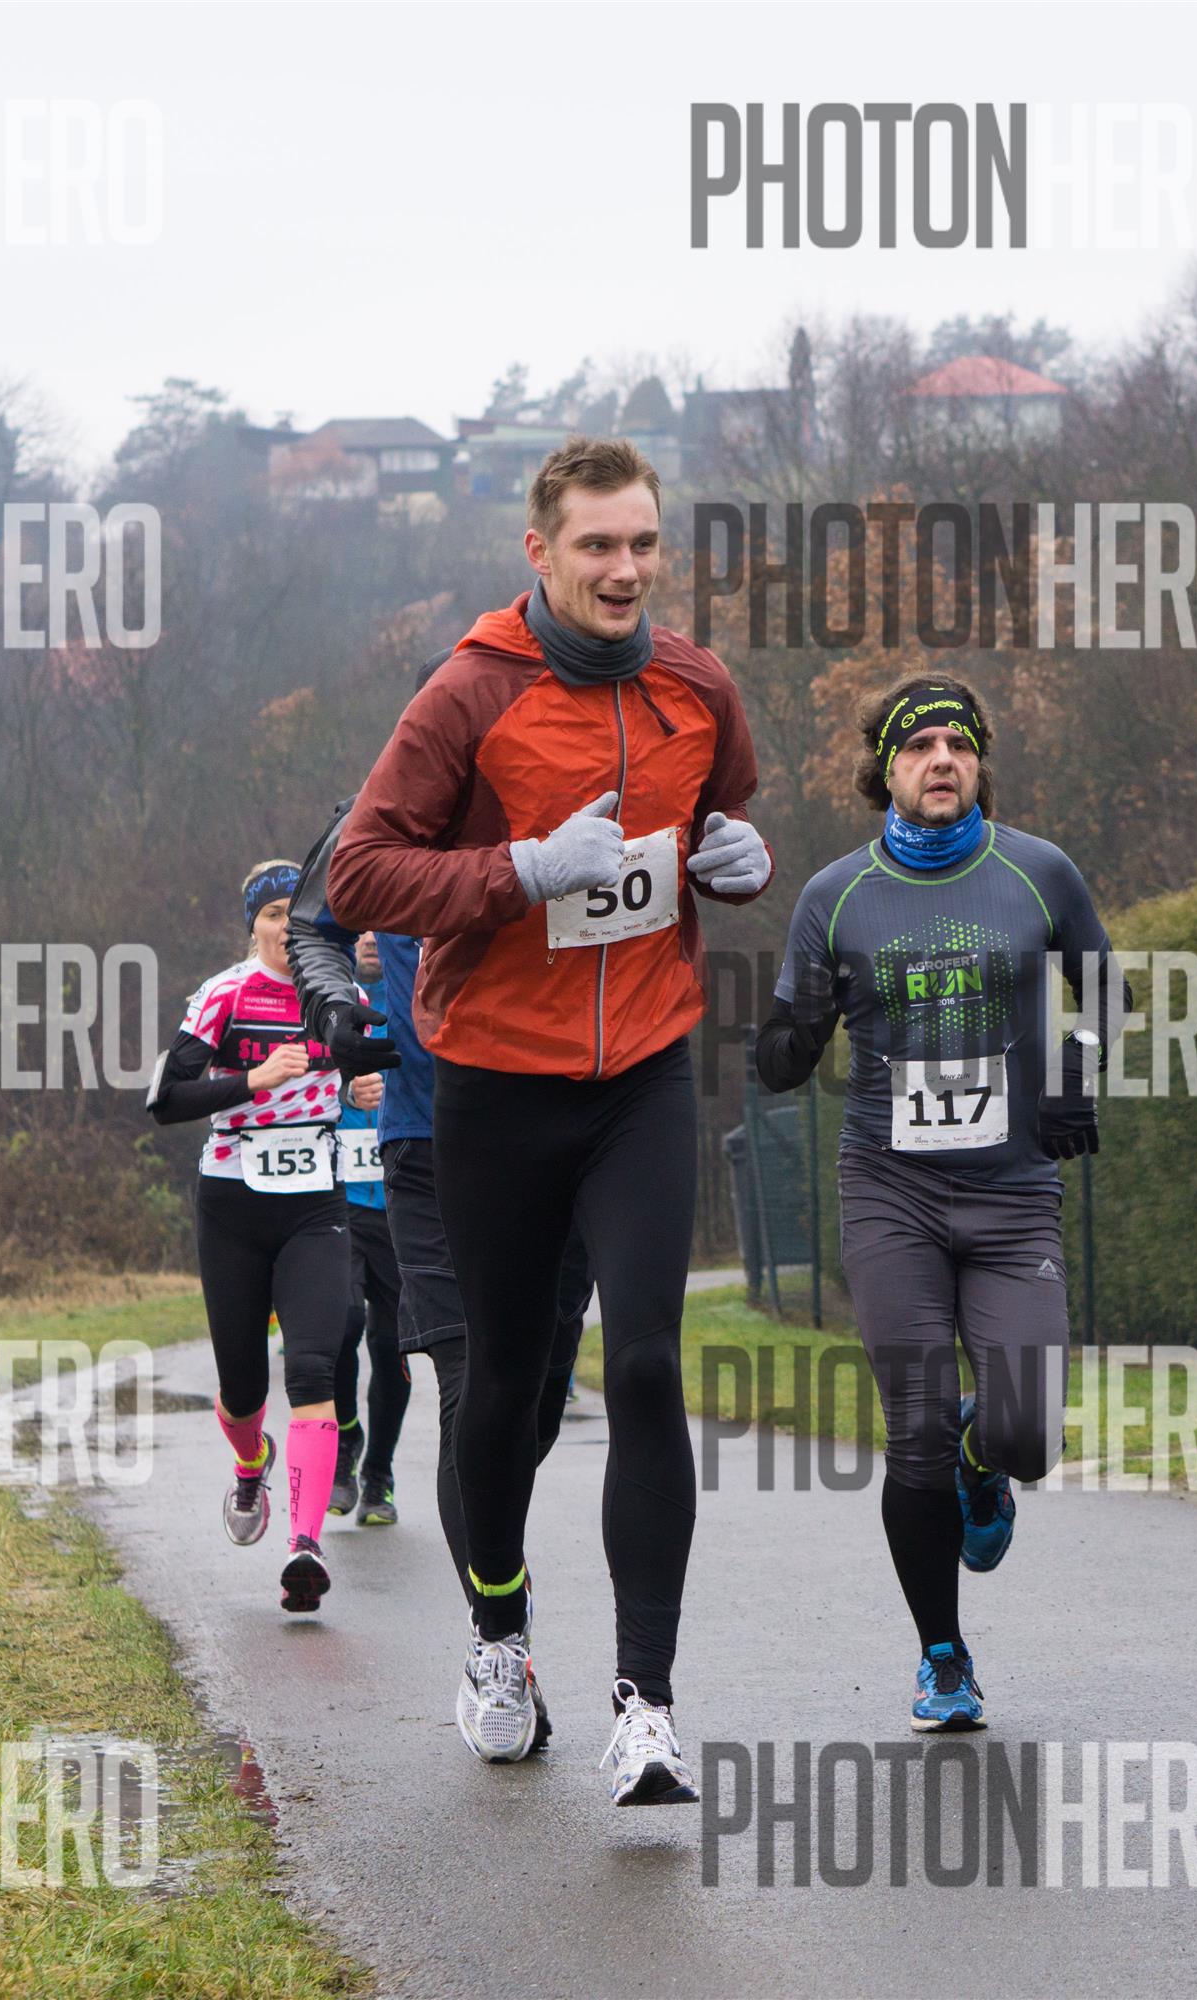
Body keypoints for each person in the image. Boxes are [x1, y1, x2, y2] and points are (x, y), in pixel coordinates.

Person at [323, 435, 776, 1803]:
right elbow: (360, 874)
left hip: (642, 1071)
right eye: (597, 545)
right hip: (496, 1086)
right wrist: (520, 870)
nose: (625, 569)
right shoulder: (470, 692)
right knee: (507, 1389)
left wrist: (738, 858)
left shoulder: (698, 684)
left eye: (642, 543)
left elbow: (723, 810)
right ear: (540, 551)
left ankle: (649, 1702)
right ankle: (500, 1636)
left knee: (644, 1364)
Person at [754, 677, 1119, 1733]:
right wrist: (795, 1031)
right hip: (891, 1194)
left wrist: (1073, 1073)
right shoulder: (837, 894)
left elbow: (1103, 984)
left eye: (959, 742)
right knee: (910, 1429)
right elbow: (779, 1052)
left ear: (980, 762)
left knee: (1029, 1430)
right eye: (918, 746)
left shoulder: (1038, 870)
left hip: (1012, 1193)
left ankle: (984, 1457)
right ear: (887, 771)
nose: (942, 759)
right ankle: (943, 1656)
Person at [291, 788, 605, 1755]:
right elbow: (314, 923)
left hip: (565, 1132)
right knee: (472, 1386)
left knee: (532, 1406)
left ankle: (494, 1588)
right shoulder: (394, 804)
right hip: (429, 1142)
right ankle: (498, 1643)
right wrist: (335, 1004)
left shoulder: (579, 781)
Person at [144, 859, 385, 1616]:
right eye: (274, 914)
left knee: (313, 1367)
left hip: (316, 1204)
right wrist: (253, 1081)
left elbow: (362, 1076)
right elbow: (166, 1099)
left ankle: (304, 1546)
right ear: (254, 926)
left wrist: (360, 1087)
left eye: (297, 914)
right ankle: (252, 1464)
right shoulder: (225, 993)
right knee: (244, 1387)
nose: (287, 927)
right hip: (233, 1203)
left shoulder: (344, 997)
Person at [322, 931, 404, 1527]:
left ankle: (378, 1473)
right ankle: (347, 1436)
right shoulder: (325, 1001)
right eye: (360, 927)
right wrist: (345, 1091)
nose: (372, 937)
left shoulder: (419, 990)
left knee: (392, 1346)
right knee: (342, 1326)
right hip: (342, 1200)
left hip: (405, 1202)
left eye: (382, 923)